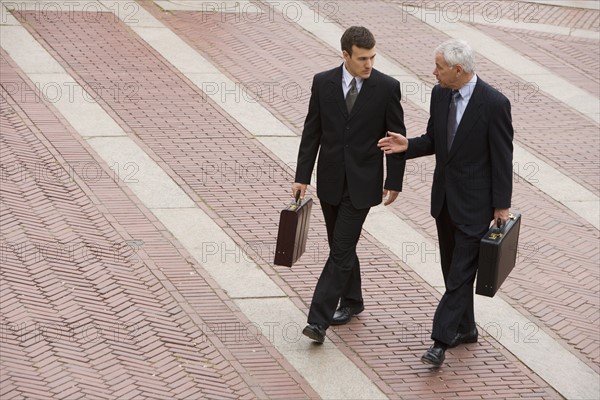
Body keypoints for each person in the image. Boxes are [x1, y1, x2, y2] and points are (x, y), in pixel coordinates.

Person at [378, 38, 514, 367]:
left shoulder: (494, 103)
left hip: (476, 205)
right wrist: (406, 145)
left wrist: (502, 205)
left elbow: (502, 158)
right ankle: (466, 328)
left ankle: (440, 340)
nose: (433, 72)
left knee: (460, 274)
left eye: (438, 67)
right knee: (452, 270)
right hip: (444, 202)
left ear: (457, 70)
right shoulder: (440, 94)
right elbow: (436, 141)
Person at [292, 26, 406, 343]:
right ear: (346, 55)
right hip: (329, 182)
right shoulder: (323, 82)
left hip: (363, 185)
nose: (369, 64)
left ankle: (318, 320)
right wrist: (302, 176)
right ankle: (353, 300)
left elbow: (395, 139)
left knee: (341, 250)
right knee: (341, 247)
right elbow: (311, 133)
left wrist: (393, 180)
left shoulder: (387, 87)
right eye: (362, 58)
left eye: (372, 57)